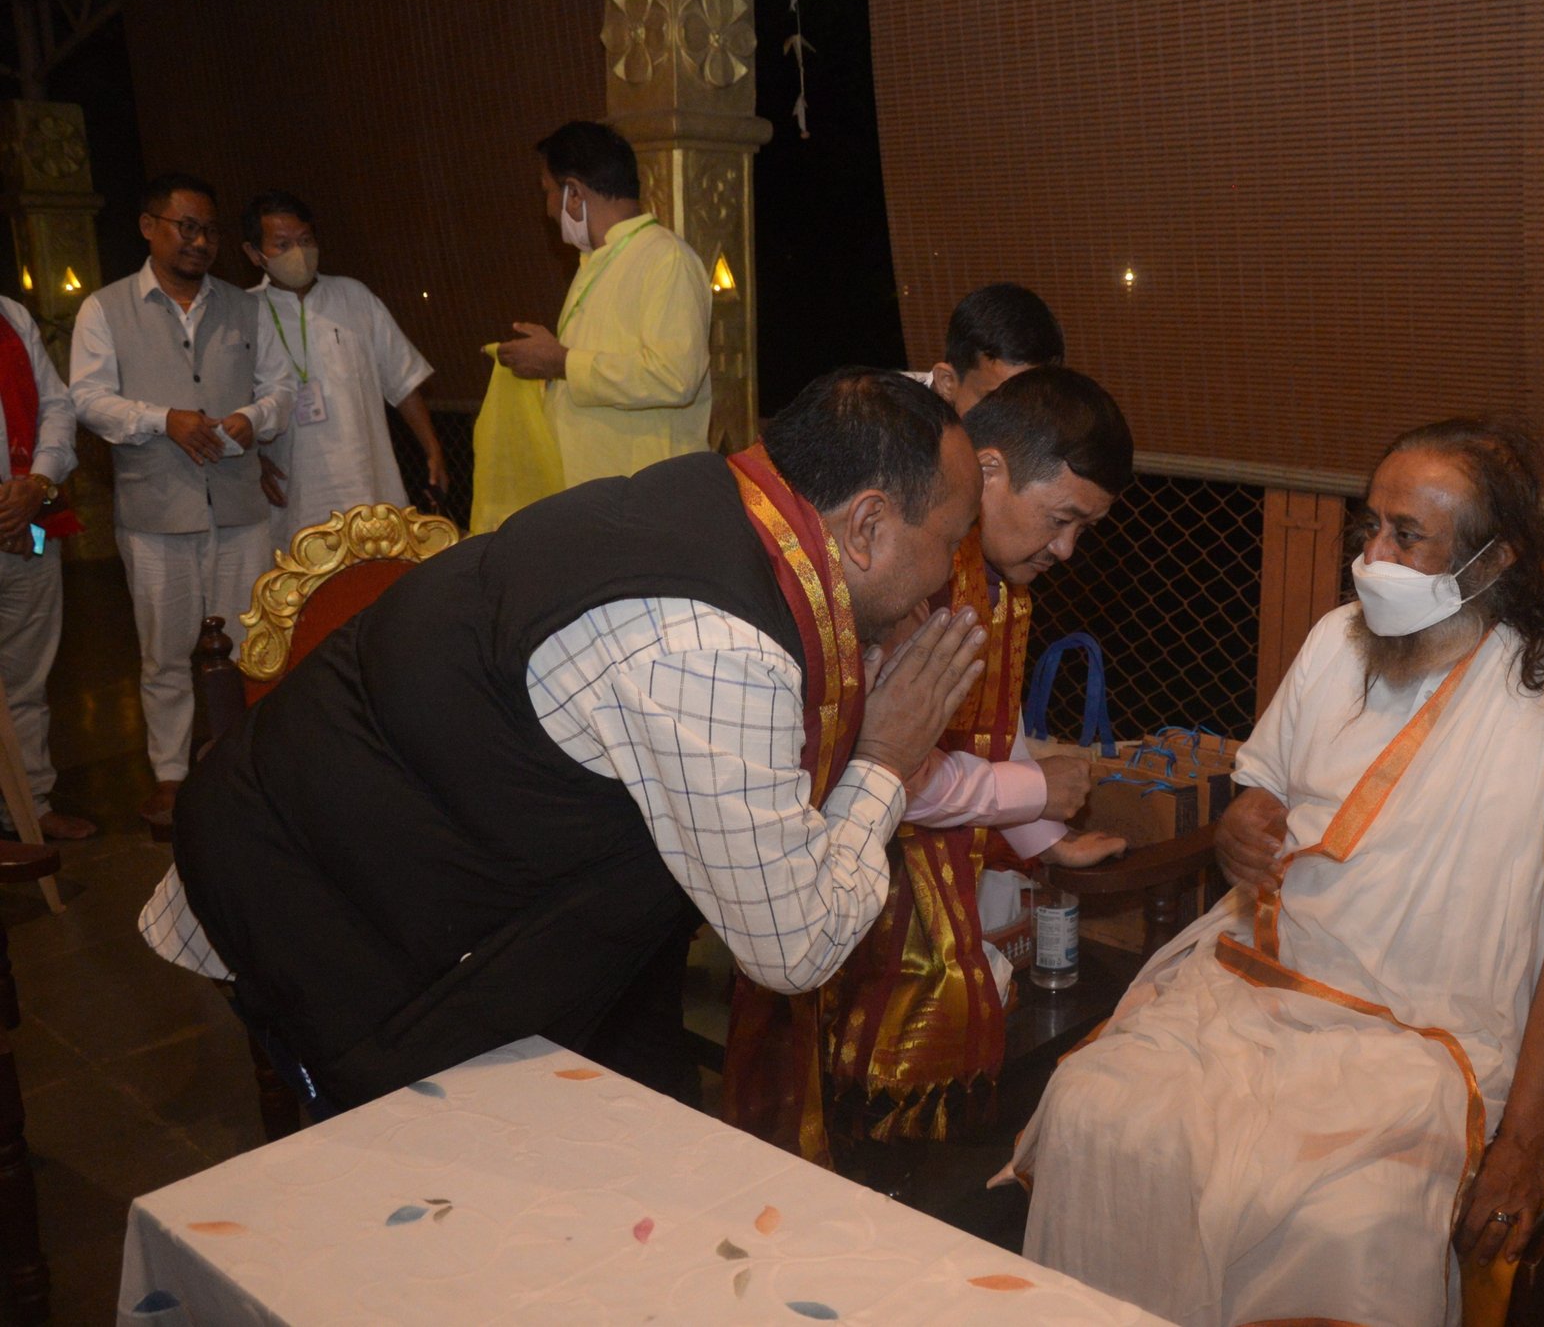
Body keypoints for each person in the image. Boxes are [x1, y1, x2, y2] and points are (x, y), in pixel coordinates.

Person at [164, 368, 985, 1110]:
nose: (948, 573)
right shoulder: (716, 647)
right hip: (320, 898)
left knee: (652, 1126)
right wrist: (887, 756)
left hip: (454, 859)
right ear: (866, 524)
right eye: (949, 542)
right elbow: (793, 946)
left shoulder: (726, 499)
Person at [1007, 419, 1544, 1327]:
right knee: (1094, 1109)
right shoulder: (1335, 642)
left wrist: (1522, 1145)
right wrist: (1240, 827)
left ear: (1494, 560)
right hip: (1267, 984)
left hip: (1437, 1035)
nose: (1372, 557)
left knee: (1354, 1219)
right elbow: (1261, 791)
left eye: (1407, 536)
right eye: (1371, 527)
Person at [728, 364, 1136, 1155]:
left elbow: (988, 722)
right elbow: (880, 760)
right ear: (989, 471)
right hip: (860, 870)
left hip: (923, 858)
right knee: (851, 1101)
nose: (1067, 548)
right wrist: (1028, 792)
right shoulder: (907, 569)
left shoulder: (1000, 580)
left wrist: (1044, 833)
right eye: (1061, 519)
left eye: (1083, 528)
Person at [71, 172, 292, 826]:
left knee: (251, 646)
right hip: (156, 512)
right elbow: (88, 399)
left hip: (240, 509)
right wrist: (161, 419)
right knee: (165, 652)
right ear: (149, 227)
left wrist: (256, 417)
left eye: (210, 231)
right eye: (186, 227)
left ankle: (246, 763)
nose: (200, 242)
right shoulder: (105, 309)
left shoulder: (247, 307)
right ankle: (170, 775)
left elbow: (281, 388)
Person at [496, 120, 712, 487]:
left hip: (647, 495)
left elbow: (675, 377)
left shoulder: (666, 258)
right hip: (597, 493)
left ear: (574, 194)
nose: (548, 210)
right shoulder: (597, 262)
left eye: (548, 192)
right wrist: (547, 367)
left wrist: (563, 362)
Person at [240, 191, 446, 550]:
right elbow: (230, 406)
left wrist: (433, 448)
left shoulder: (354, 296)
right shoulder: (244, 312)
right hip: (294, 495)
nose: (298, 253)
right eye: (283, 244)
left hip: (369, 485)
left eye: (306, 240)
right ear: (254, 253)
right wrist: (250, 460)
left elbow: (403, 381)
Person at [0, 294, 92, 840]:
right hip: (12, 516)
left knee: (26, 678)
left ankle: (28, 805)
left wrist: (36, 484)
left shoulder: (10, 315)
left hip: (29, 521)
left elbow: (56, 406)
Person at [909, 282, 1066, 417]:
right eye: (996, 403)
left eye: (1034, 405)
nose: (1017, 423)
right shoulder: (898, 431)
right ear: (947, 382)